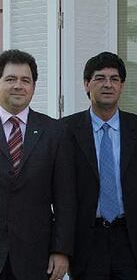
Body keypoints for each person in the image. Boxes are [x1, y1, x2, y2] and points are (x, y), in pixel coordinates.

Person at [62, 52, 137, 280]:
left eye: (114, 79)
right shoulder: (65, 130)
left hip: (130, 237)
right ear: (86, 84)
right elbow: (61, 187)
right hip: (86, 239)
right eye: (100, 78)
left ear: (122, 86)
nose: (107, 84)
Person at [0, 49, 75, 280]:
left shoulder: (55, 132)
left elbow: (66, 198)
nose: (18, 86)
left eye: (26, 80)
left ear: (33, 86)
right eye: (10, 79)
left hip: (36, 257)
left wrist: (61, 250)